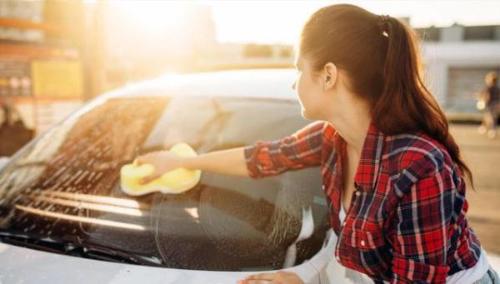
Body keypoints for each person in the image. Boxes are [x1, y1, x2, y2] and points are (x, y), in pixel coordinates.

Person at [136, 4, 499, 284]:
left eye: (298, 69)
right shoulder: (332, 139)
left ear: (328, 75)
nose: (293, 84)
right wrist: (182, 163)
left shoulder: (419, 166)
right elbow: (263, 159)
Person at [477, 71, 499, 139]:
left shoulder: (488, 87)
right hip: (496, 104)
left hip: (490, 104)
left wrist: (480, 98)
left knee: (490, 117)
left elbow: (485, 95)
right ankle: (484, 128)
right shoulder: (497, 88)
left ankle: (492, 130)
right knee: (489, 117)